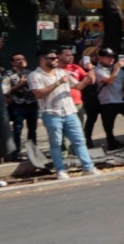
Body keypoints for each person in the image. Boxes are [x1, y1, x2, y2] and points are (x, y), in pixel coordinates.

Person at [27, 48, 98, 179]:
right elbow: (38, 94)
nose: (56, 60)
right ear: (42, 60)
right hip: (51, 113)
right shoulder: (35, 75)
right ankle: (60, 170)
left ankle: (88, 167)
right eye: (52, 58)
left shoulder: (61, 72)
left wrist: (86, 79)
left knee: (79, 140)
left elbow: (77, 86)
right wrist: (57, 83)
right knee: (56, 143)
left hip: (70, 111)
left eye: (56, 58)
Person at [93, 48, 124, 151]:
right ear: (101, 58)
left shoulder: (116, 68)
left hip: (122, 99)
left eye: (112, 57)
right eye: (108, 57)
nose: (111, 59)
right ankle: (112, 144)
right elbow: (109, 81)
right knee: (109, 126)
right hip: (108, 101)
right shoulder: (98, 70)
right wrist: (116, 68)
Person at [3, 53, 38, 160]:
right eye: (18, 59)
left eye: (23, 58)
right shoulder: (8, 74)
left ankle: (34, 152)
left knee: (33, 129)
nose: (21, 61)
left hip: (32, 104)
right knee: (17, 129)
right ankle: (16, 152)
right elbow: (5, 91)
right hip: (18, 105)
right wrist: (20, 84)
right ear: (12, 62)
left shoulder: (31, 73)